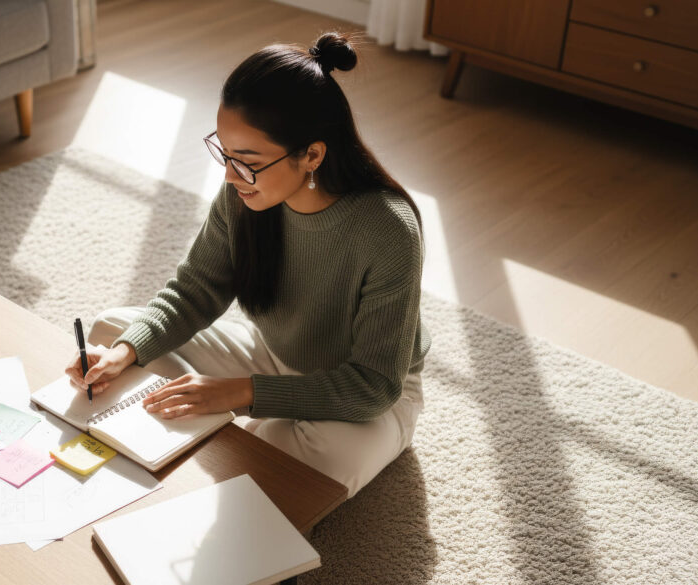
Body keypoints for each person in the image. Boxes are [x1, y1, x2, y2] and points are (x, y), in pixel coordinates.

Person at [65, 31, 430, 498]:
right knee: (110, 332)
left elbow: (374, 385)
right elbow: (196, 289)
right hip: (274, 355)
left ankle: (254, 430)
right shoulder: (244, 194)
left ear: (312, 155)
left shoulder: (387, 230)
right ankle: (253, 428)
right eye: (225, 152)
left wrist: (243, 393)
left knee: (312, 459)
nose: (229, 175)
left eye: (248, 161)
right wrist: (123, 353)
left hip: (365, 395)